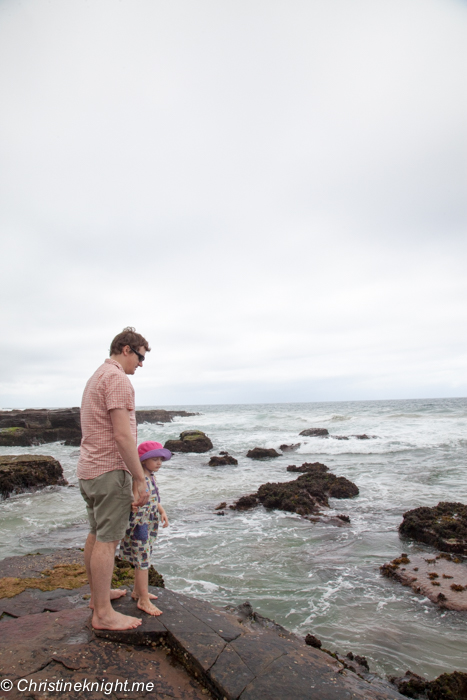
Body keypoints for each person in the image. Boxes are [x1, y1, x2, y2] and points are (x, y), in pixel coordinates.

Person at [77, 327, 150, 631]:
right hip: (110, 472)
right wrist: (139, 478)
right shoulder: (118, 379)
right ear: (125, 349)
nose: (142, 364)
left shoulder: (97, 376)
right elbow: (122, 435)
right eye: (141, 356)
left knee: (96, 534)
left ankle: (99, 597)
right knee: (108, 541)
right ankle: (103, 615)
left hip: (89, 470)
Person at [119, 440, 171, 616]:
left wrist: (162, 511)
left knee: (144, 556)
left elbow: (155, 499)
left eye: (160, 459)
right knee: (143, 560)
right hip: (140, 524)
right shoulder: (139, 479)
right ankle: (143, 599)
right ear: (143, 460)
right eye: (154, 459)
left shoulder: (151, 477)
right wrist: (134, 505)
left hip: (149, 523)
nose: (159, 463)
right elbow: (134, 500)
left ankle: (137, 591)